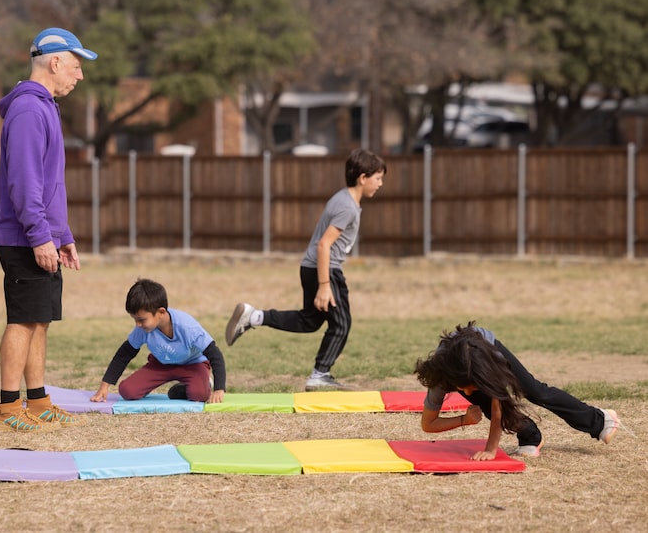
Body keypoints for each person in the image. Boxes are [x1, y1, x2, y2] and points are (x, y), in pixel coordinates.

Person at [0, 27, 98, 432]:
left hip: (43, 236)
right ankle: (8, 406)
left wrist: (62, 235)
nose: (79, 75)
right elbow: (24, 182)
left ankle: (37, 401)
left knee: (39, 319)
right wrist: (39, 236)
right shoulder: (29, 110)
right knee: (22, 319)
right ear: (55, 62)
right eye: (75, 65)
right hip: (23, 237)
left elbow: (51, 184)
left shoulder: (46, 107)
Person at [225, 148, 386, 391]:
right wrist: (324, 286)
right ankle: (320, 374)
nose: (380, 184)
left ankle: (254, 316)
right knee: (341, 324)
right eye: (378, 178)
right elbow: (324, 245)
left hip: (311, 267)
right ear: (363, 178)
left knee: (310, 320)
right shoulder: (347, 207)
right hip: (325, 270)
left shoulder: (342, 198)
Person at [414, 322, 620, 460]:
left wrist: (490, 449)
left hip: (487, 351)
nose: (468, 394)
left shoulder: (487, 366)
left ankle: (601, 420)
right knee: (484, 403)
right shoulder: (439, 378)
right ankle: (530, 437)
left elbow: (498, 407)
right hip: (461, 363)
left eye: (472, 388)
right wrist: (463, 420)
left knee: (534, 391)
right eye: (463, 389)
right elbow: (428, 424)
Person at [91, 278, 227, 404]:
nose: (137, 324)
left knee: (199, 394)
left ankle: (196, 386)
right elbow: (124, 353)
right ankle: (186, 386)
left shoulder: (187, 327)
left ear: (161, 312)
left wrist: (219, 388)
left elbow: (215, 354)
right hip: (161, 364)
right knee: (127, 391)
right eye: (134, 319)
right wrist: (105, 385)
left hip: (192, 365)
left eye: (141, 319)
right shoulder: (142, 329)